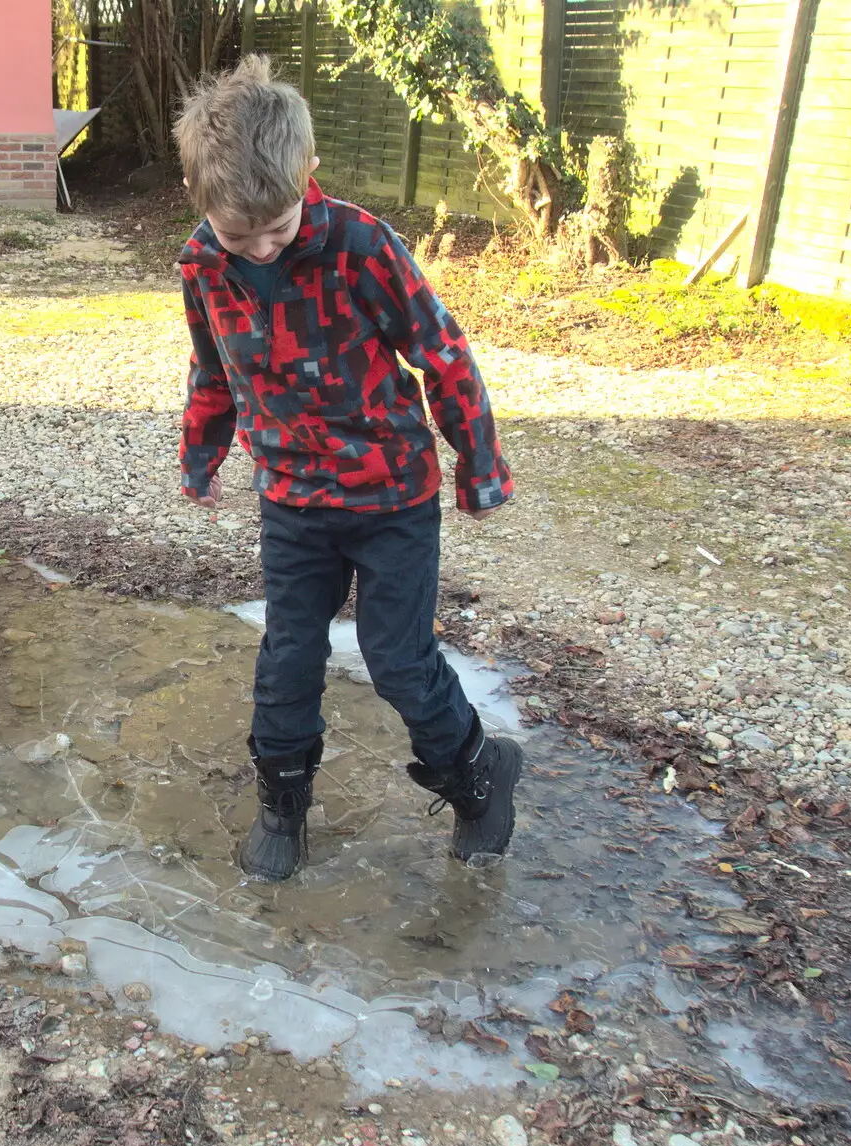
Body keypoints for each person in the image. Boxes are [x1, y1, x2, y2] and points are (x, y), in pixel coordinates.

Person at [172, 56, 520, 882]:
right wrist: (200, 454)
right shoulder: (201, 266)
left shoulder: (363, 246)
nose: (259, 249)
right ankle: (282, 803)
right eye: (237, 235)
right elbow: (212, 369)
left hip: (392, 496)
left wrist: (479, 466)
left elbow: (443, 353)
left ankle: (477, 776)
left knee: (396, 657)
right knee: (288, 654)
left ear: (307, 177)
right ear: (202, 206)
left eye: (277, 231)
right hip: (292, 499)